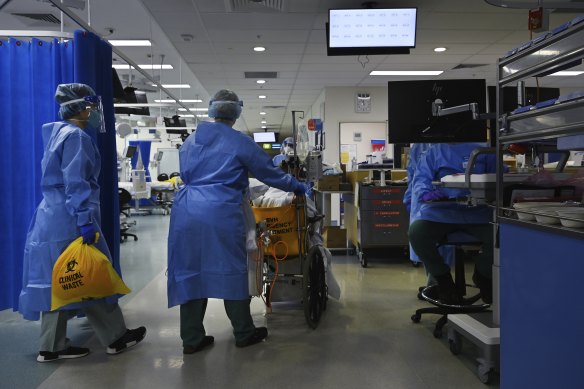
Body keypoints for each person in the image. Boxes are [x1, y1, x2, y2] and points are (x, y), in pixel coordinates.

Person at [167, 89, 306, 354]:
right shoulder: (239, 142)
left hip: (186, 211)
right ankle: (244, 332)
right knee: (230, 267)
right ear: (236, 111)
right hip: (220, 210)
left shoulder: (190, 141)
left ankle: (192, 339)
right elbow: (268, 173)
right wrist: (296, 185)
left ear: (212, 109)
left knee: (191, 270)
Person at [19, 84, 146, 362]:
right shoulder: (76, 137)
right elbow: (76, 183)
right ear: (80, 107)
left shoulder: (55, 134)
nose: (93, 112)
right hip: (70, 218)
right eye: (90, 106)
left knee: (60, 280)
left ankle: (51, 347)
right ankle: (116, 338)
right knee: (91, 275)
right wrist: (84, 220)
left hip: (50, 216)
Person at [408, 142, 496, 305]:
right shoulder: (433, 153)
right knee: (417, 233)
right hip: (441, 212)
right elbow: (421, 179)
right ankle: (443, 280)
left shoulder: (485, 151)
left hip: (478, 213)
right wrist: (425, 193)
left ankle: (483, 275)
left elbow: (500, 175)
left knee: (502, 235)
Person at [403, 143, 455, 289]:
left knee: (444, 246)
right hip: (424, 202)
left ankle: (439, 282)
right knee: (425, 242)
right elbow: (413, 175)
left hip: (452, 205)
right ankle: (435, 281)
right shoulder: (419, 147)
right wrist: (409, 198)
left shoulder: (471, 145)